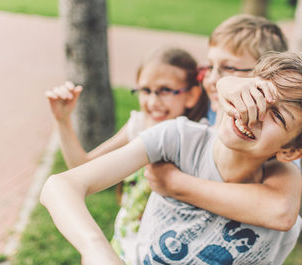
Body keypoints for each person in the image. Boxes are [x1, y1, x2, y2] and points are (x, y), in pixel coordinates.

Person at [40, 51, 302, 265]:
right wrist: (97, 251)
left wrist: (173, 183)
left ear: (291, 151)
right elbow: (60, 186)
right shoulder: (177, 138)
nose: (255, 112)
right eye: (257, 94)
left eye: (276, 114)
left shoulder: (282, 184)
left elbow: (282, 212)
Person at [46, 47, 208, 262]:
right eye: (145, 90)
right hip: (120, 250)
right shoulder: (139, 125)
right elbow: (81, 166)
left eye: (165, 90)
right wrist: (63, 120)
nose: (152, 102)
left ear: (192, 95)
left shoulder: (199, 141)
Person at [145, 14, 301, 231]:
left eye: (229, 68)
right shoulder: (200, 109)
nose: (212, 81)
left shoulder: (272, 141)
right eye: (210, 67)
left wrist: (173, 183)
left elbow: (279, 211)